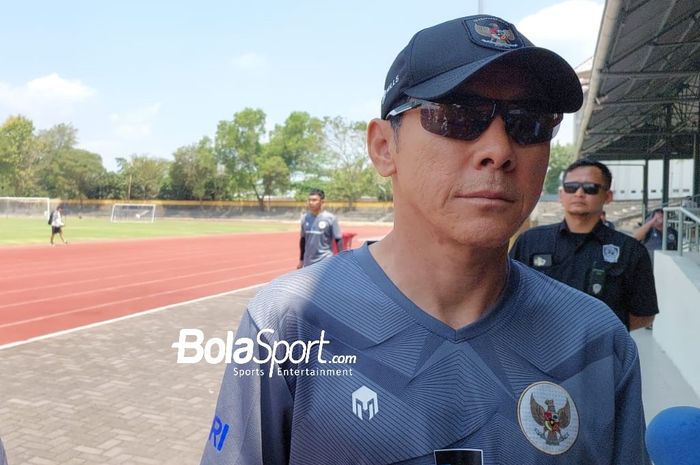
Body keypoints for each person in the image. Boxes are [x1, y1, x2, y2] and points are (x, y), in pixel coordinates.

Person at [201, 15, 649, 464]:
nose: (499, 149)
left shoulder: (596, 342)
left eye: (529, 121)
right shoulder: (288, 323)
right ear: (383, 147)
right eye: (457, 115)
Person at [511, 159, 658, 331]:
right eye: (571, 187)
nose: (579, 193)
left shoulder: (630, 251)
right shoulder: (530, 241)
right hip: (537, 350)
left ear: (608, 196)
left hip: (600, 355)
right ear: (561, 194)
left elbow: (644, 314)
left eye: (590, 188)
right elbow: (506, 296)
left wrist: (598, 335)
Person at [297, 188, 343, 268]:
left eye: (314, 200)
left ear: (322, 202)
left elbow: (338, 240)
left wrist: (343, 260)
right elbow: (303, 240)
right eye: (309, 200)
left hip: (325, 261)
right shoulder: (305, 218)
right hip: (308, 263)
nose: (311, 203)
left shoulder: (330, 218)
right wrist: (301, 260)